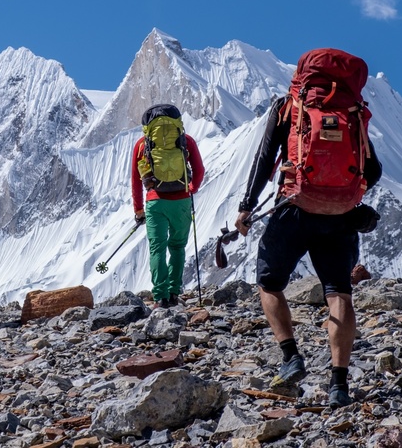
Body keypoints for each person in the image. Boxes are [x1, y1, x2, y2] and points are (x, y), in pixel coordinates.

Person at [234, 50, 382, 409]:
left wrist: (246, 207)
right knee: (339, 293)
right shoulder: (352, 113)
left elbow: (264, 159)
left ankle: (290, 357)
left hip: (294, 208)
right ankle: (339, 385)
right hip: (342, 214)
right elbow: (373, 170)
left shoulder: (289, 107)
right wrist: (346, 198)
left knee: (269, 283)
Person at [131, 104, 205, 309]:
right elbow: (199, 170)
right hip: (181, 200)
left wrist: (138, 209)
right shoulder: (185, 141)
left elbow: (136, 180)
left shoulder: (141, 145)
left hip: (155, 202)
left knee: (157, 249)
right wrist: (191, 188)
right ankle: (173, 293)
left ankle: (159, 297)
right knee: (178, 247)